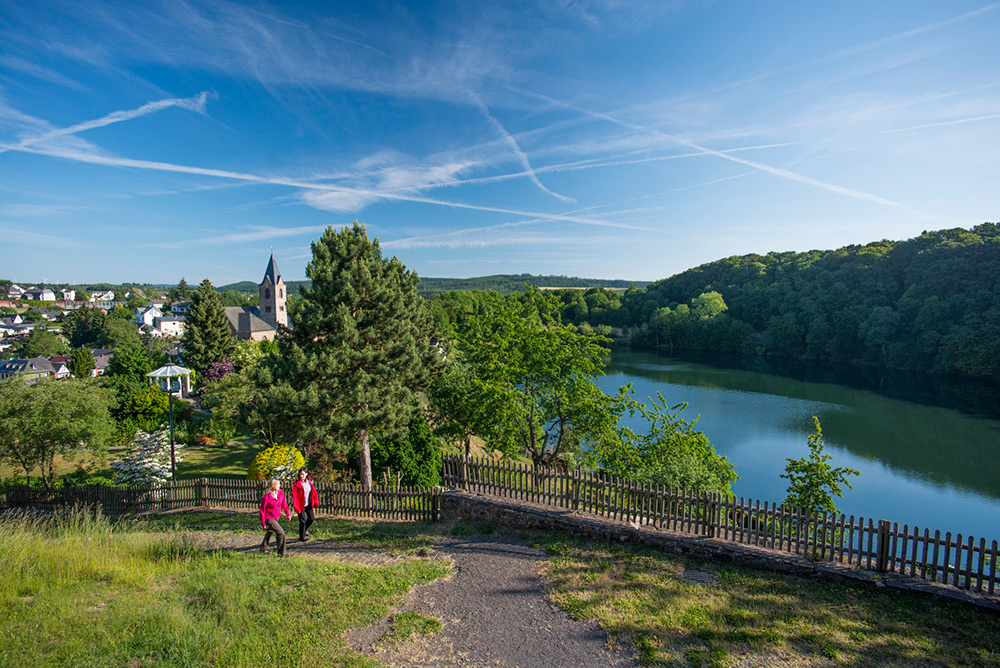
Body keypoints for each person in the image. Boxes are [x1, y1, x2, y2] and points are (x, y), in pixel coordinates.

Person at [259, 478, 292, 556]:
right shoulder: (267, 497)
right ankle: (281, 552)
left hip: (277, 516)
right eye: (278, 484)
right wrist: (263, 522)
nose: (280, 485)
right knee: (281, 533)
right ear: (273, 486)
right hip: (269, 518)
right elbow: (262, 510)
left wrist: (288, 514)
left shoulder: (280, 493)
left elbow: (284, 504)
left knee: (270, 531)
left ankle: (263, 547)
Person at [291, 467, 319, 542]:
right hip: (300, 505)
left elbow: (313, 491)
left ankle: (304, 530)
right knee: (302, 521)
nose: (301, 476)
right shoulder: (297, 484)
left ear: (306, 474)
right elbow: (294, 496)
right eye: (300, 474)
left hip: (308, 503)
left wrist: (316, 500)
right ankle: (302, 536)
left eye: (303, 474)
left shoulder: (310, 481)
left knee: (311, 518)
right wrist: (296, 507)